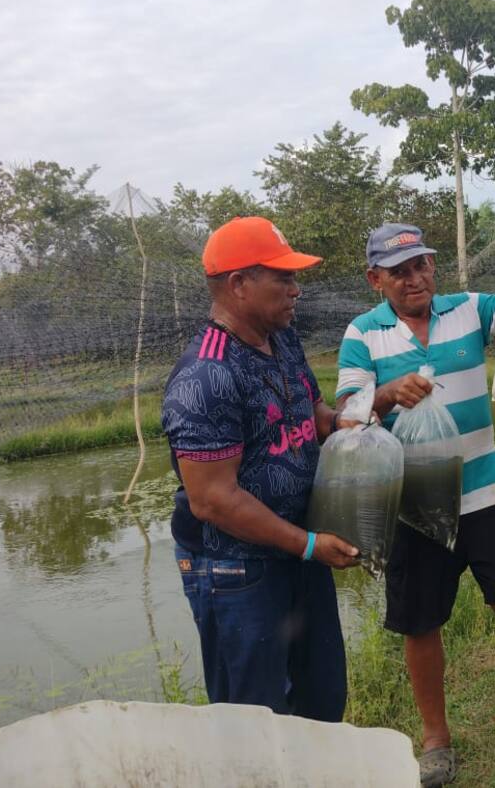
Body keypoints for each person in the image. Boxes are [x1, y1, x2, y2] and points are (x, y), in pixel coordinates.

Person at [336, 223, 495, 787]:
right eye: (400, 271)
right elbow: (347, 415)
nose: (415, 278)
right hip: (413, 502)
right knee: (422, 623)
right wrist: (388, 394)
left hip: (484, 492)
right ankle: (436, 737)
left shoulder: (469, 308)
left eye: (422, 265)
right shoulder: (363, 334)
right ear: (376, 279)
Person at [162, 216, 359, 722]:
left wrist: (351, 424)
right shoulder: (207, 375)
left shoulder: (284, 339)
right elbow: (212, 499)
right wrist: (310, 544)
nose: (296, 291)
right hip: (236, 570)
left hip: (298, 549)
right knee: (253, 718)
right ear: (239, 284)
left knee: (321, 697)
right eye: (284, 278)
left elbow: (313, 417)